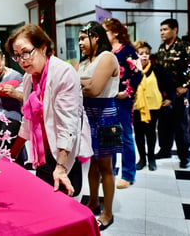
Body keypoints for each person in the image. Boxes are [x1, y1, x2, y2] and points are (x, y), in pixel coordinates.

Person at [5, 24, 92, 199]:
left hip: (66, 153)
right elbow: (28, 120)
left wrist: (61, 167)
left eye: (25, 52)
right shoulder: (30, 77)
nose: (22, 60)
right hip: (43, 153)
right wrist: (12, 154)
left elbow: (68, 124)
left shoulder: (63, 73)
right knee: (46, 201)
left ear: (43, 47)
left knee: (67, 207)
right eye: (17, 56)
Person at [78, 21, 120, 231]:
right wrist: (87, 83)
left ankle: (108, 212)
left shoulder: (108, 57)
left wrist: (84, 83)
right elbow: (82, 85)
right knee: (91, 164)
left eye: (83, 38)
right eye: (78, 39)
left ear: (95, 37)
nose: (80, 43)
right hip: (87, 115)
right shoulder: (84, 62)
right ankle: (93, 202)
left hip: (105, 115)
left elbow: (94, 90)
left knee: (106, 166)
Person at [102, 18, 142, 189]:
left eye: (106, 31)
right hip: (107, 98)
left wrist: (127, 92)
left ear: (115, 32)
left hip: (123, 99)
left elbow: (138, 73)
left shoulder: (128, 51)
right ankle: (110, 171)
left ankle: (128, 174)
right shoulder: (106, 51)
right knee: (109, 136)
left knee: (125, 136)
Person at [155, 18, 190, 168]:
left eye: (165, 29)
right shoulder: (161, 48)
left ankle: (184, 156)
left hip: (179, 93)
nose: (162, 32)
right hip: (164, 94)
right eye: (161, 30)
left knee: (180, 125)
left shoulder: (185, 47)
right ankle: (165, 150)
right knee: (164, 124)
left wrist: (185, 86)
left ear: (175, 30)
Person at [133, 41, 176, 171]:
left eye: (147, 53)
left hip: (153, 106)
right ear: (136, 55)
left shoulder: (157, 69)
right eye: (141, 53)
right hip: (136, 106)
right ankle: (142, 159)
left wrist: (170, 98)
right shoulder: (133, 70)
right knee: (139, 134)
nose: (145, 56)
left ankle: (151, 158)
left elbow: (170, 84)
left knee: (151, 133)